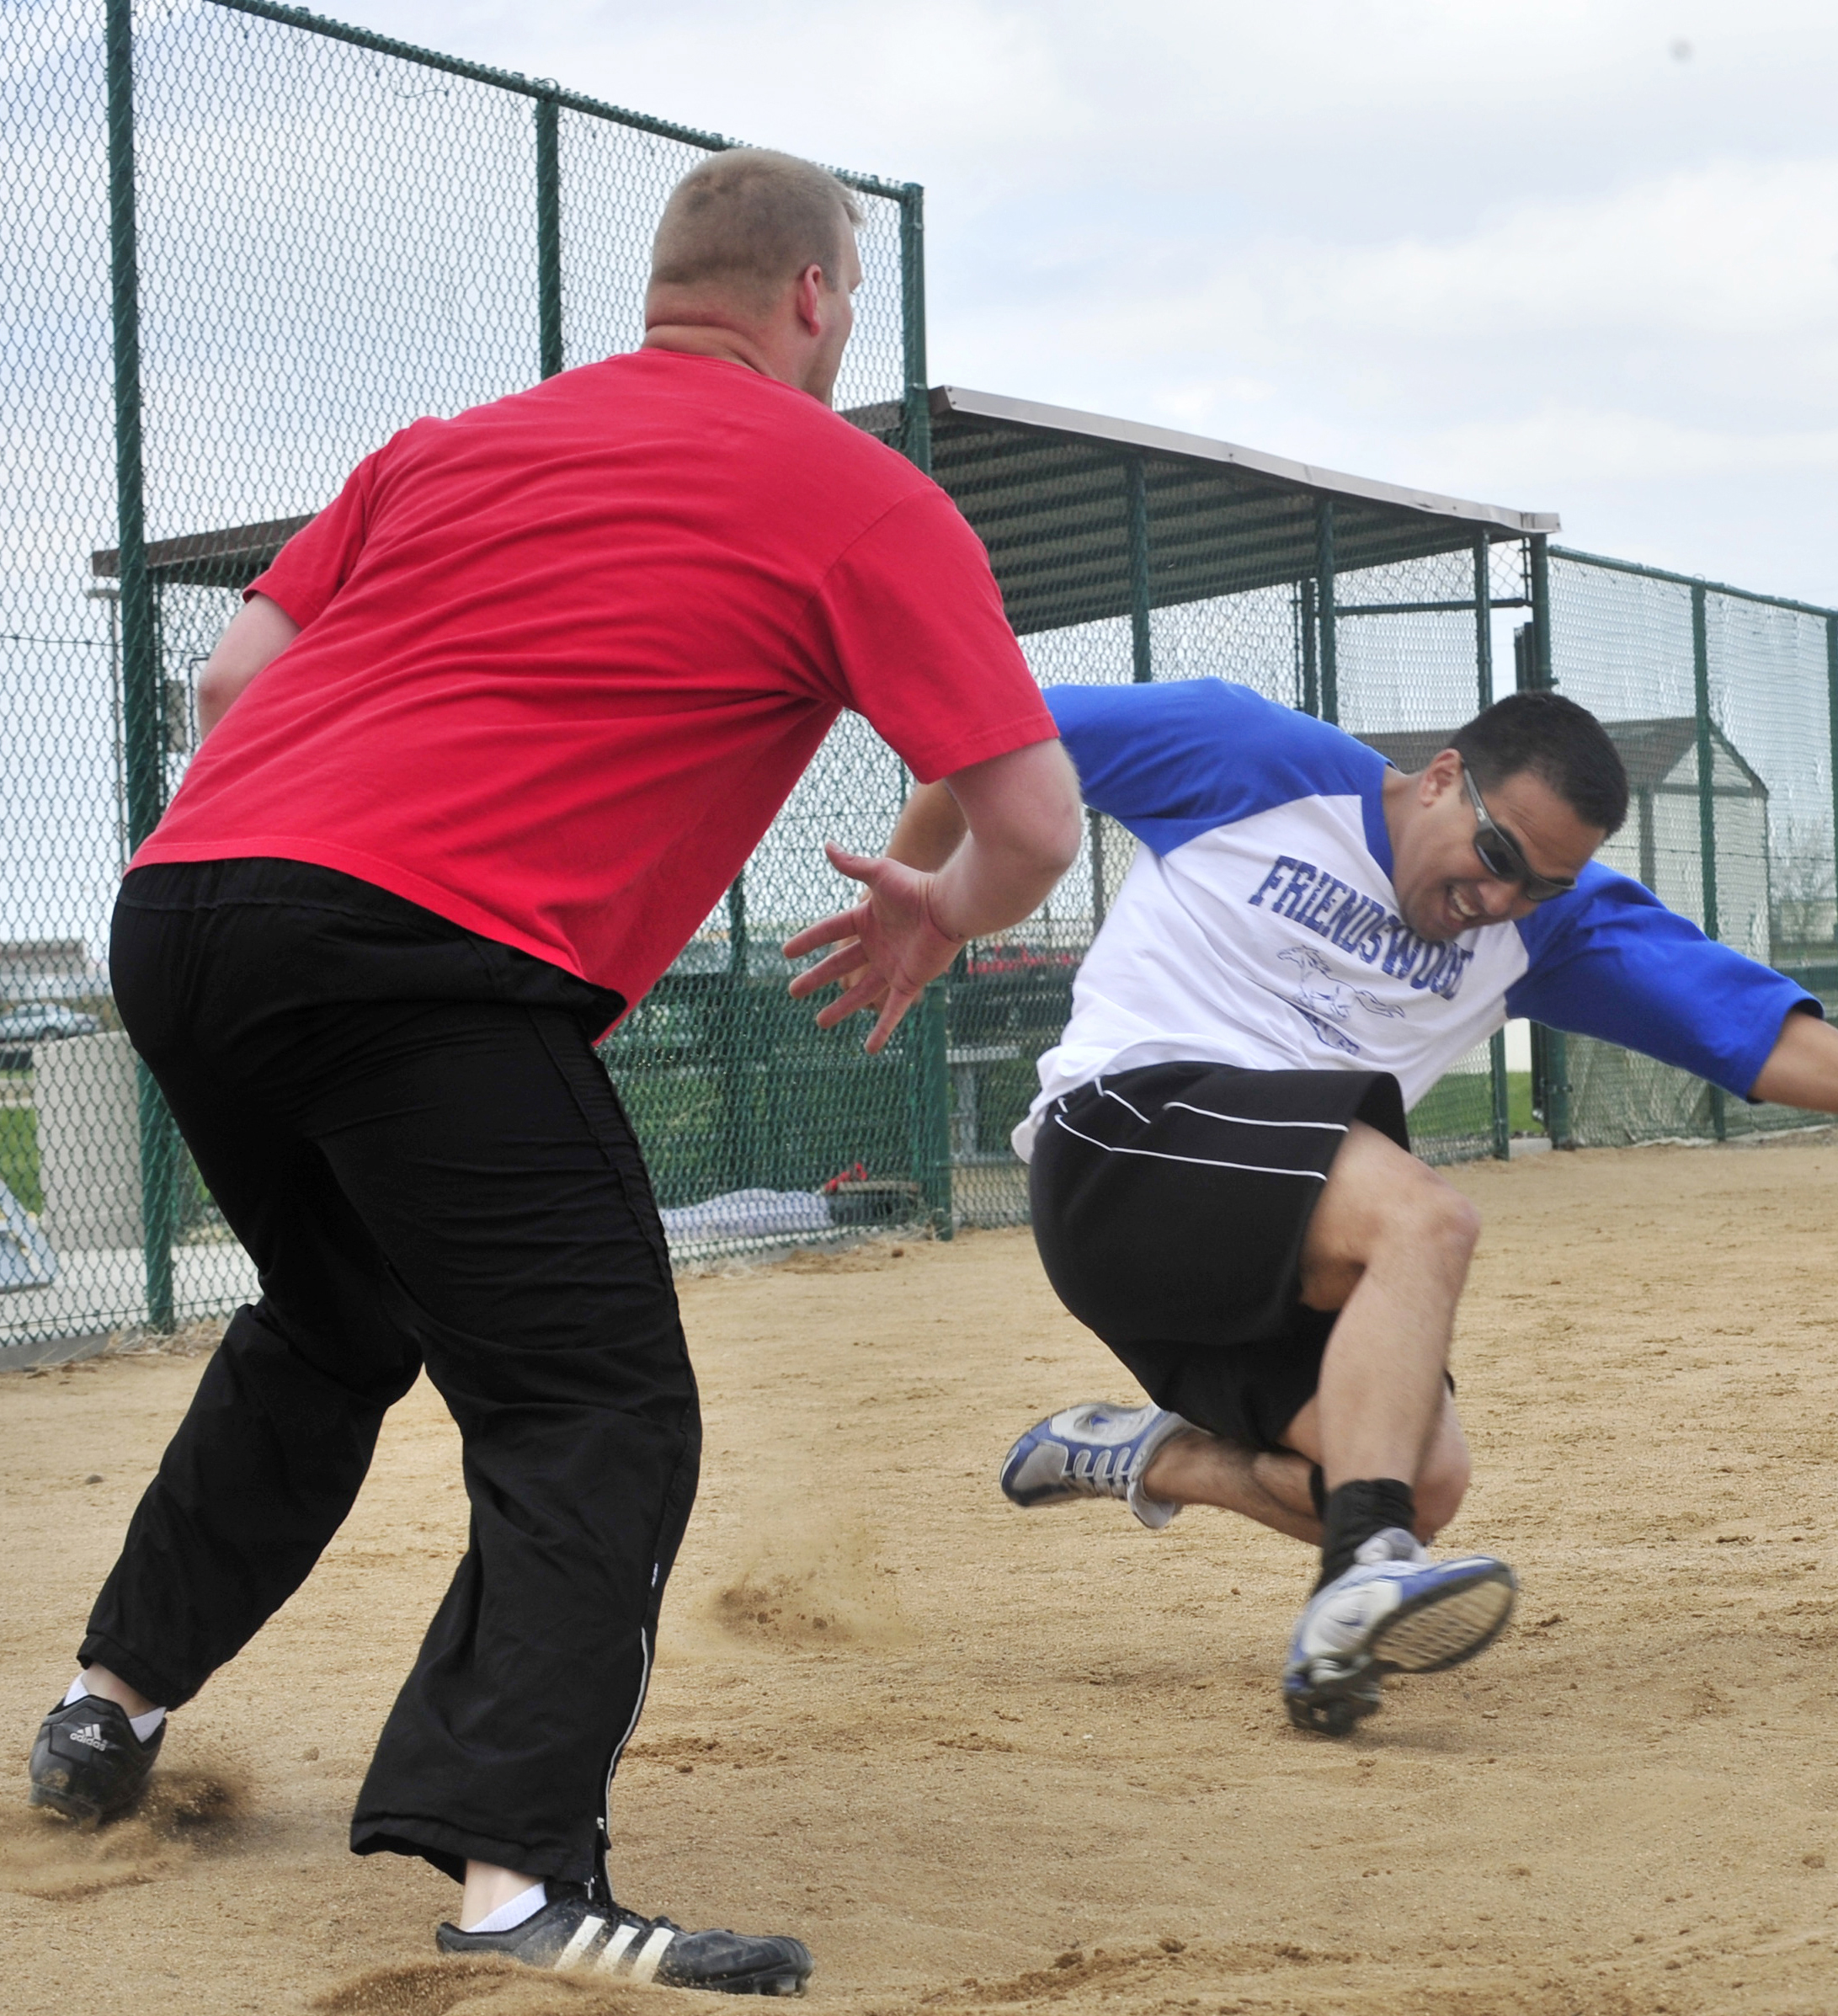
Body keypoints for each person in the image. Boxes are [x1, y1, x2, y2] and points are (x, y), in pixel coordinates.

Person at [24, 149, 1083, 1994]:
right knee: (595, 1400)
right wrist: (935, 912)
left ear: (668, 286)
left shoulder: (448, 448)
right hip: (413, 956)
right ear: (820, 299)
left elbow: (227, 690)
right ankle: (522, 1879)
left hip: (187, 910)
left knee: (339, 1317)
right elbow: (1034, 819)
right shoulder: (859, 495)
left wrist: (321, 834)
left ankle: (106, 1701)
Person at [882, 680, 1838, 1736]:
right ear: (1443, 778)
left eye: (1541, 886)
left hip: (1259, 1230)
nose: (1503, 899)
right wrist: (936, 902)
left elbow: (1748, 1031)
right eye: (1499, 855)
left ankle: (1156, 1458)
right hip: (1124, 1142)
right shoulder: (1246, 757)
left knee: (1419, 1481)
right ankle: (1358, 1582)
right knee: (1427, 1218)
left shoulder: (1550, 929)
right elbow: (987, 732)